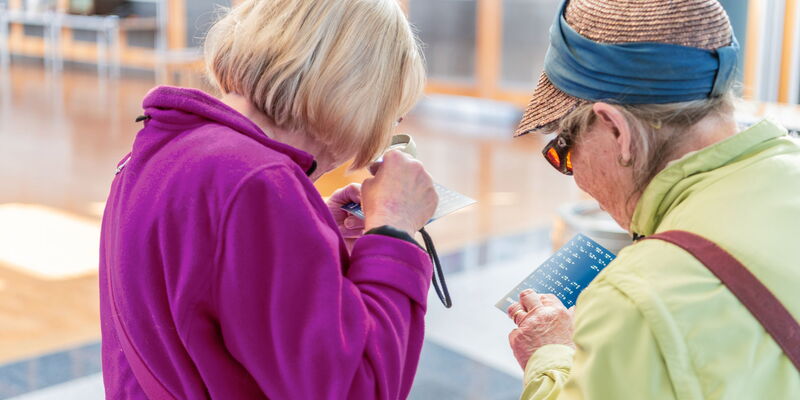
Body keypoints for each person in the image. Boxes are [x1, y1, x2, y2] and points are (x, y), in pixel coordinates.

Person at [99, 0, 438, 398]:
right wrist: (394, 232)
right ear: (356, 92)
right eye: (391, 113)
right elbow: (354, 389)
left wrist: (312, 235)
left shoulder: (166, 144)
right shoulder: (257, 182)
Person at [505, 0, 800, 399]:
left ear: (616, 130)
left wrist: (551, 356)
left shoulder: (635, 299)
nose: (577, 179)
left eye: (565, 150)